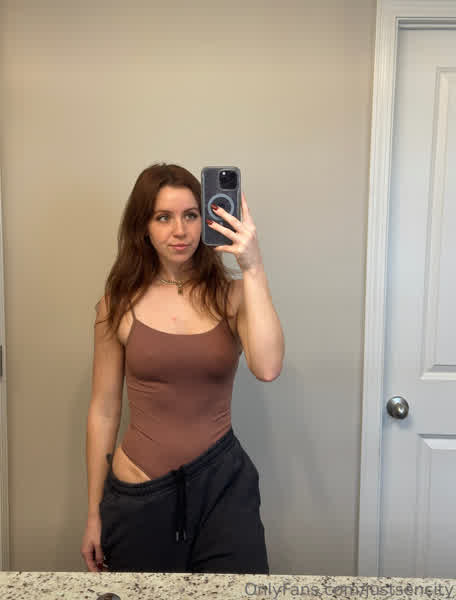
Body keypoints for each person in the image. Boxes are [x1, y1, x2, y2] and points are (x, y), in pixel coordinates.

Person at [80, 163, 284, 574]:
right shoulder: (116, 305)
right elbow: (103, 410)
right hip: (140, 494)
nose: (180, 231)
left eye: (191, 215)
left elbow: (267, 367)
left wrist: (253, 266)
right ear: (143, 226)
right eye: (163, 217)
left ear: (207, 218)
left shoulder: (233, 296)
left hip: (223, 491)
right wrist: (93, 513)